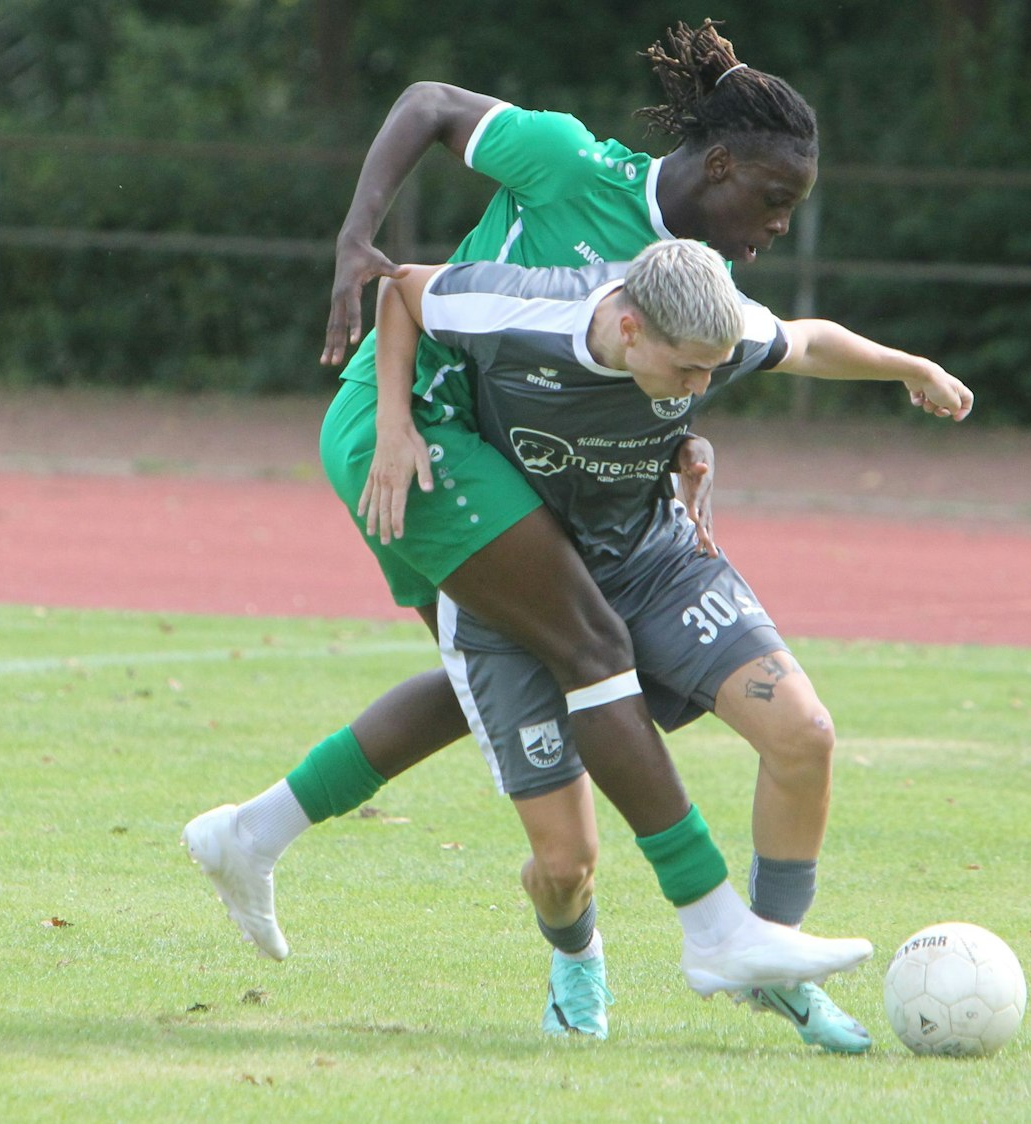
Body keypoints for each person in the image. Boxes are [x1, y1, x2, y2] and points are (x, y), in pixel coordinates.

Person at [186, 22, 873, 1041]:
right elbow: (426, 103)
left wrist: (677, 435)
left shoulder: (690, 276)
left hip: (494, 456)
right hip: (414, 432)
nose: (779, 226)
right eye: (775, 200)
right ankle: (709, 928)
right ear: (723, 163)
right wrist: (355, 235)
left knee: (497, 674)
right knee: (572, 655)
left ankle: (255, 830)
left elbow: (647, 367)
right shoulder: (567, 161)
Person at [362, 239, 971, 1044]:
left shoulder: (717, 331)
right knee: (563, 868)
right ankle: (577, 962)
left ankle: (771, 961)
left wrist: (911, 368)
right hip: (519, 590)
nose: (701, 387)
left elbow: (809, 341)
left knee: (805, 734)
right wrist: (393, 423)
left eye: (713, 371)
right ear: (629, 328)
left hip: (654, 562)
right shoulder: (522, 311)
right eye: (687, 370)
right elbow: (401, 290)